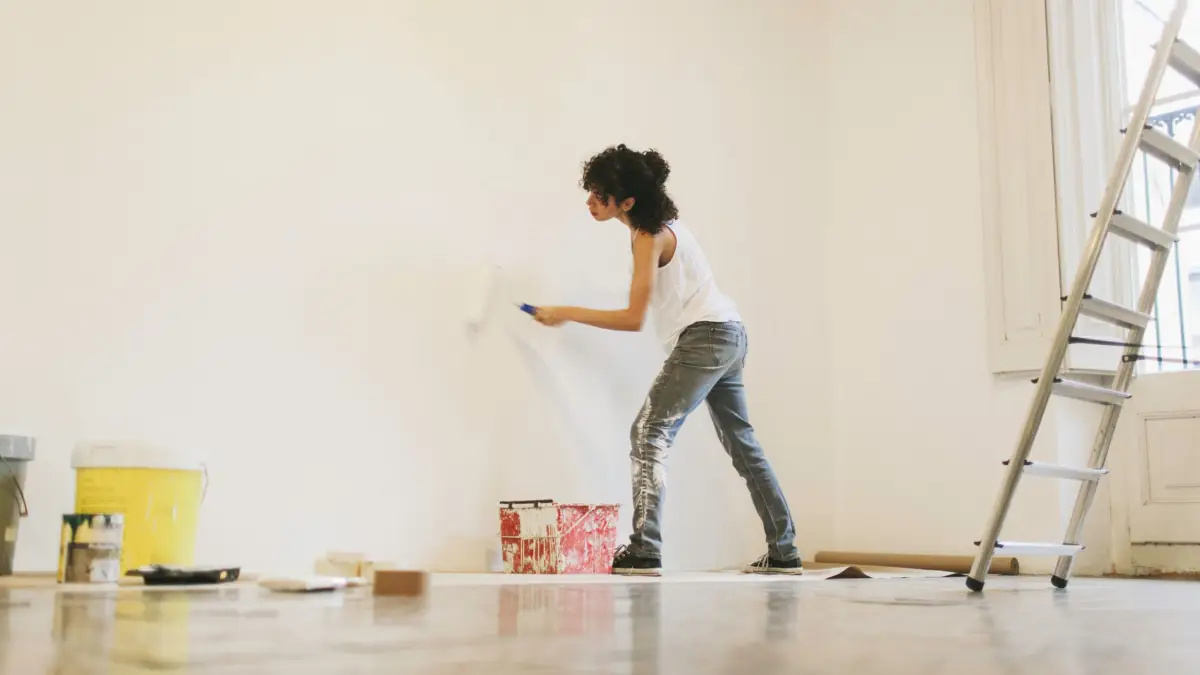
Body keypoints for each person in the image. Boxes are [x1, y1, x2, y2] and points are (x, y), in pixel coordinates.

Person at [530, 144, 801, 576]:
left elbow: (633, 318)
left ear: (628, 202)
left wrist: (565, 312)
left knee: (649, 431)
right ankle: (784, 552)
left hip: (706, 338)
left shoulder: (647, 236)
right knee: (742, 445)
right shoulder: (662, 228)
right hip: (729, 333)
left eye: (599, 194)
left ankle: (645, 549)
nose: (589, 202)